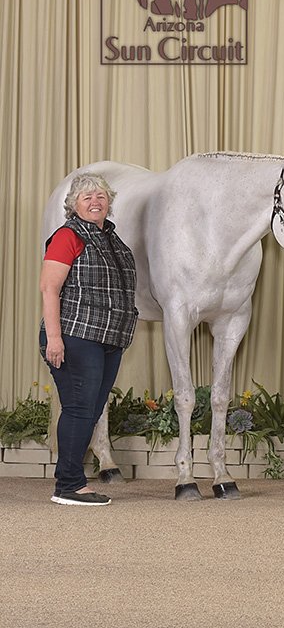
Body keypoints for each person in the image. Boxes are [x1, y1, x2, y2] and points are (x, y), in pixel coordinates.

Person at [39, 173, 138, 506]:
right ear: (74, 205)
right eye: (87, 197)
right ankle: (69, 486)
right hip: (74, 334)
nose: (95, 201)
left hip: (108, 338)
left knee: (89, 410)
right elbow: (49, 288)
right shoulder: (68, 236)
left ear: (108, 201)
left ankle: (68, 480)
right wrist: (54, 339)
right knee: (81, 409)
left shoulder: (111, 237)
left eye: (100, 196)